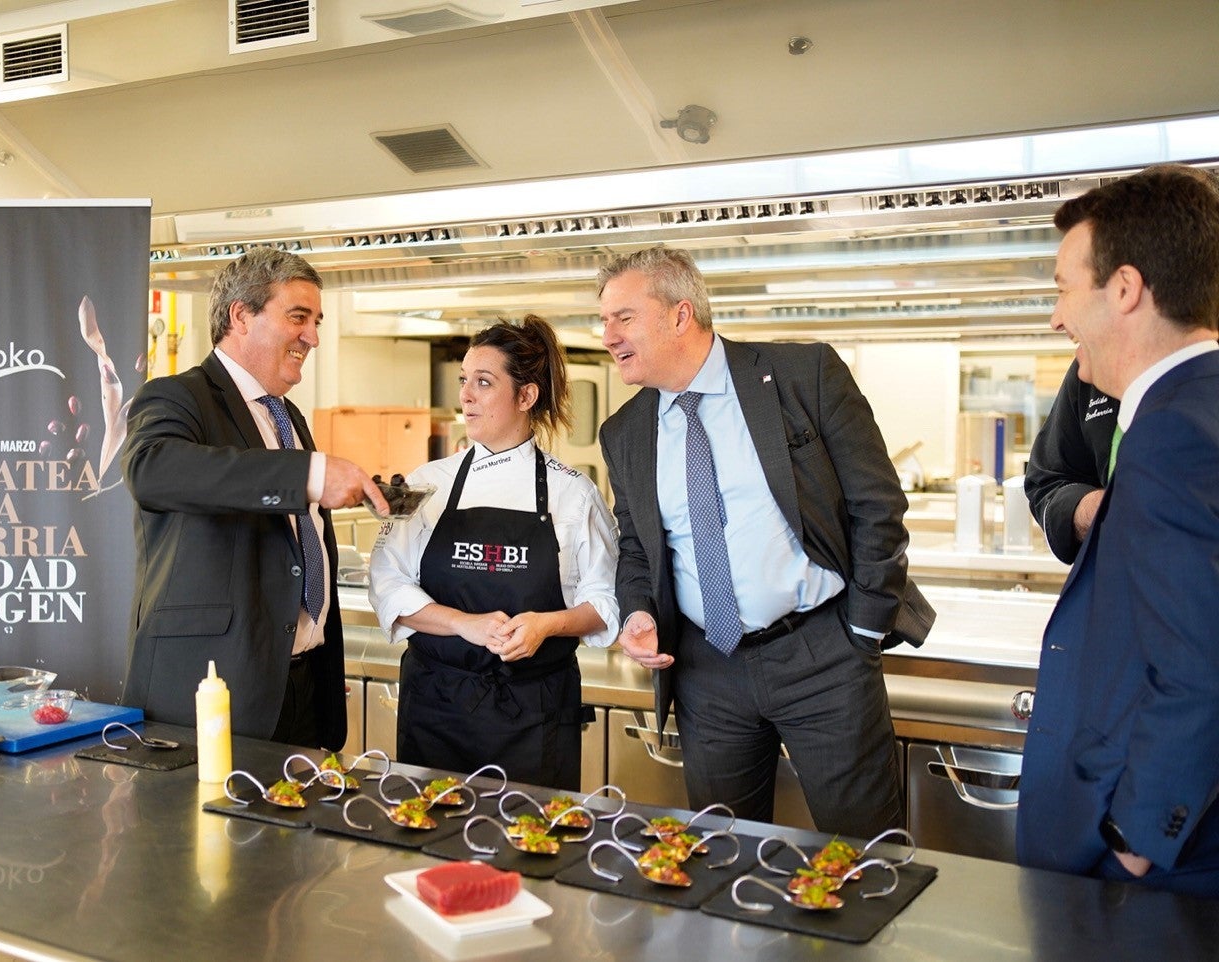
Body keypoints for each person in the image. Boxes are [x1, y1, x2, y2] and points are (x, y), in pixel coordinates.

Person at [596, 246, 929, 838]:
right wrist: (638, 610)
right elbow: (637, 547)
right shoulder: (624, 432)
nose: (607, 336)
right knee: (723, 852)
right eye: (603, 321)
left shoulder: (805, 376)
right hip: (706, 670)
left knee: (866, 852)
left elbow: (878, 507)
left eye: (623, 317)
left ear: (680, 314)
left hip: (821, 656)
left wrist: (863, 633)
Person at [1016, 164, 1219, 898]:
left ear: (1126, 289)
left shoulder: (1171, 435)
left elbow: (1202, 669)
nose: (1057, 316)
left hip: (1158, 862)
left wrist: (1132, 843)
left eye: (1065, 288)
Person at [120, 248, 386, 748]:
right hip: (214, 688)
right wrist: (309, 474)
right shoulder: (176, 396)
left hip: (302, 688)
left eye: (316, 321)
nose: (312, 337)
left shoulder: (287, 417)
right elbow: (151, 470)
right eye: (298, 318)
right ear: (241, 316)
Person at [367, 315, 620, 789]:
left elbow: (605, 600)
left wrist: (549, 624)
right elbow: (387, 583)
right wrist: (466, 624)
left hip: (534, 714)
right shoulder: (428, 483)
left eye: (483, 382)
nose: (465, 395)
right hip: (437, 710)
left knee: (532, 850)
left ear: (526, 397)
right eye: (464, 380)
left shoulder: (573, 494)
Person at [1023, 358, 1116, 563]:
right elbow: (1046, 482)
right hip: (1109, 575)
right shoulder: (1089, 367)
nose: (1057, 324)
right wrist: (1095, 509)